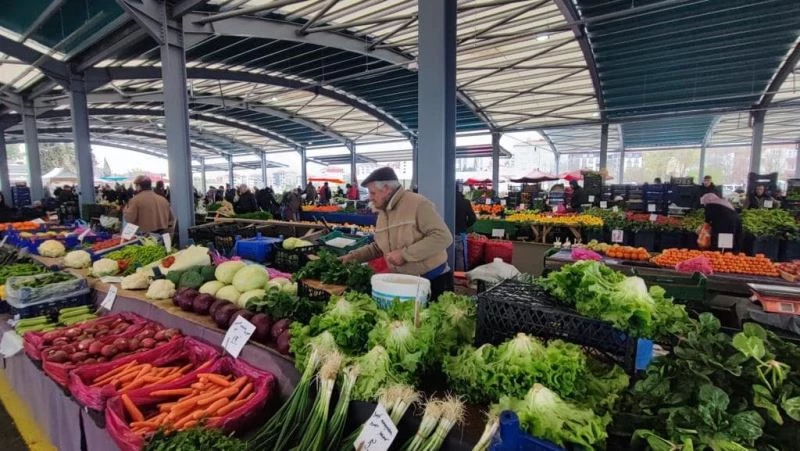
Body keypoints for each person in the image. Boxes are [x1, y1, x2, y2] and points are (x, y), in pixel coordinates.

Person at [340, 167, 454, 300]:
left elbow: (443, 237)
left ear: (387, 188)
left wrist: (404, 254)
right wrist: (353, 257)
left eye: (373, 193)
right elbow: (379, 247)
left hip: (434, 283)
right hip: (405, 284)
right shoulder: (383, 213)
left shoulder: (418, 204)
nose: (370, 198)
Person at [455, 188, 477, 271]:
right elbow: (473, 218)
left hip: (445, 233)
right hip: (460, 232)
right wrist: (465, 226)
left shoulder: (445, 200)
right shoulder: (465, 202)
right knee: (460, 256)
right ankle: (459, 278)